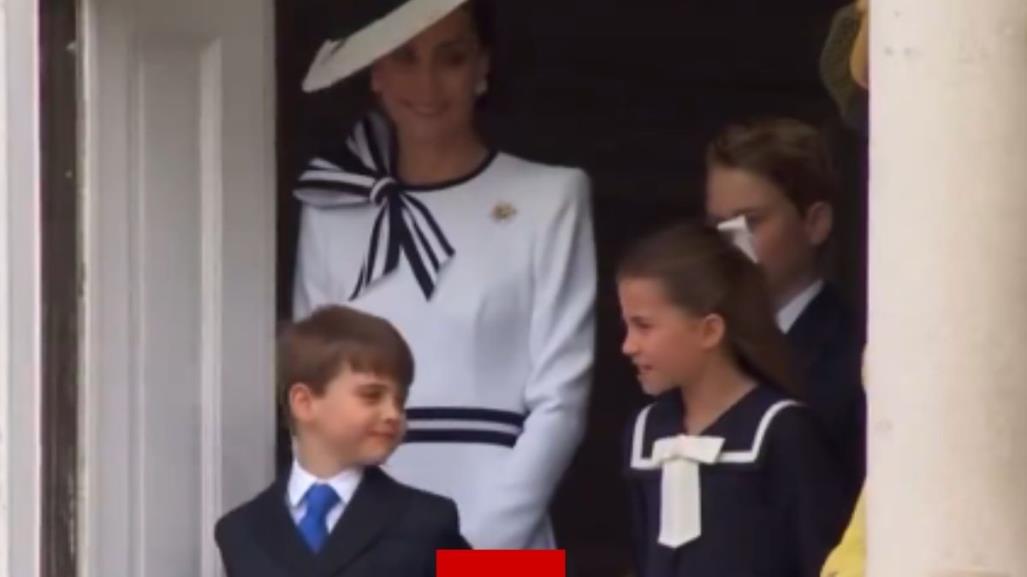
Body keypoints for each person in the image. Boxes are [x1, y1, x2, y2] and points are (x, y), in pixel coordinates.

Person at [293, 0, 597, 549]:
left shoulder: (552, 197)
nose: (427, 83)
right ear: (376, 75)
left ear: (483, 66)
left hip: (506, 532)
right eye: (405, 58)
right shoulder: (332, 209)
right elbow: (314, 396)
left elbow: (561, 400)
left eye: (451, 57)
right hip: (364, 535)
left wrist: (476, 548)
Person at [619, 224, 849, 577]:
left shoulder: (781, 430)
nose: (628, 345)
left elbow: (823, 560)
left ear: (709, 330)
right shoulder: (646, 432)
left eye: (644, 326)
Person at [215, 306, 468, 577]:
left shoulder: (426, 521)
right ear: (304, 402)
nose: (393, 413)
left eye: (400, 401)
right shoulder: (240, 531)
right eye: (371, 395)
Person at [705, 118, 866, 504]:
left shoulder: (857, 358)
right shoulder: (696, 344)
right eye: (719, 224)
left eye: (751, 221)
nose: (732, 241)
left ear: (815, 223)